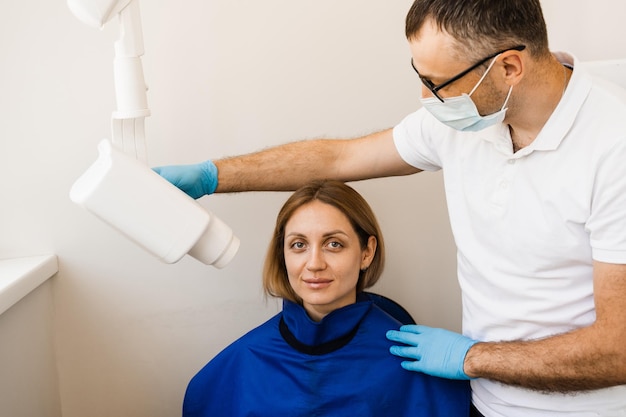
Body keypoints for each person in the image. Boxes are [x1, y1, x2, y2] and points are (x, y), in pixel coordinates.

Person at [155, 0, 626, 415]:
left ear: (508, 68)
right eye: (421, 77)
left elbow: (618, 350)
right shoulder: (470, 118)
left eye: (439, 84)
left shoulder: (612, 148)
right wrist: (211, 176)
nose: (427, 99)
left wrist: (470, 358)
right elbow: (339, 158)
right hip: (484, 402)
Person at [182, 180, 470, 416]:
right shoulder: (231, 370)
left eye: (334, 244)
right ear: (283, 254)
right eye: (299, 245)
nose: (314, 263)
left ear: (366, 252)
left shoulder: (415, 365)